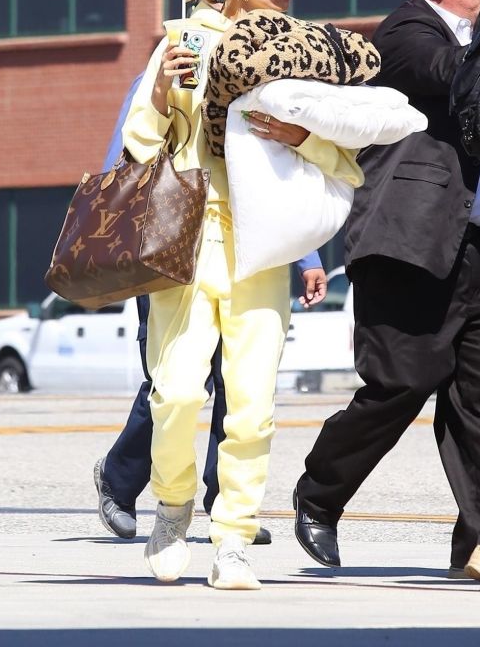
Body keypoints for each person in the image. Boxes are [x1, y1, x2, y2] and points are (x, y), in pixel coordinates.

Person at [122, 0, 369, 590]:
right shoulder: (181, 41)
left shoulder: (303, 51)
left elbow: (343, 153)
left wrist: (300, 136)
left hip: (265, 240)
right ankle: (173, 508)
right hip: (187, 234)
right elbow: (141, 150)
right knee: (174, 391)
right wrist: (158, 92)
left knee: (253, 402)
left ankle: (232, 537)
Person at [293, 0, 480, 582]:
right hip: (410, 242)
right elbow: (449, 79)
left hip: (479, 249)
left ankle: (478, 545)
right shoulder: (406, 33)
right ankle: (318, 496)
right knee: (399, 384)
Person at [94, 46, 328, 545]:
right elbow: (126, 159)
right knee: (173, 382)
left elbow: (279, 174)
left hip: (247, 254)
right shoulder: (162, 73)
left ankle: (226, 505)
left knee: (238, 382)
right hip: (172, 254)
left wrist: (307, 258)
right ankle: (118, 480)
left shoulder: (260, 81)